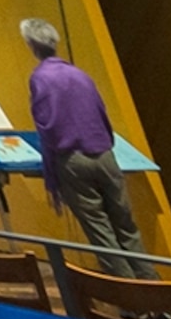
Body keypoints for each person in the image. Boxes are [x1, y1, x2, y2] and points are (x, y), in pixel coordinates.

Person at [23, 17, 140, 272]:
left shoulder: (40, 78)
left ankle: (129, 292)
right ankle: (153, 288)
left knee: (100, 232)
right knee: (126, 226)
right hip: (105, 155)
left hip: (73, 160)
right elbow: (101, 112)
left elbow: (47, 126)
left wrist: (52, 171)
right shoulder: (80, 74)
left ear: (31, 45)